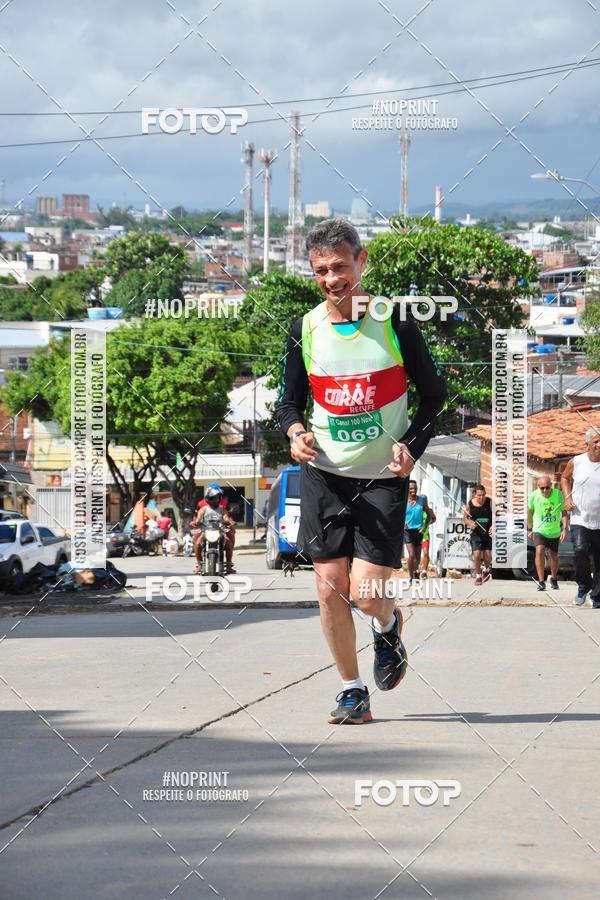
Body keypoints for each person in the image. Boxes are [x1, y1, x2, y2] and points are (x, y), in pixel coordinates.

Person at [276, 217, 447, 724]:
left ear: (361, 261)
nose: (332, 279)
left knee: (367, 595)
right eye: (321, 270)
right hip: (325, 474)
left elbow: (434, 396)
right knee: (329, 585)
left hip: (381, 478)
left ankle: (388, 626)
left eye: (341, 267)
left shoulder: (395, 323)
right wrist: (295, 433)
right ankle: (352, 691)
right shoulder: (304, 329)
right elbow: (287, 404)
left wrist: (412, 447)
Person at [560, 427, 600, 607]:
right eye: (596, 441)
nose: (599, 445)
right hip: (579, 517)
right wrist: (567, 497)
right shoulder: (576, 462)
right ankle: (584, 586)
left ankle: (597, 596)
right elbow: (564, 478)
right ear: (588, 444)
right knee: (580, 549)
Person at [528, 475, 567, 591]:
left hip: (554, 531)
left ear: (551, 486)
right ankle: (541, 581)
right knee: (539, 551)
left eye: (547, 487)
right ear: (538, 486)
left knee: (553, 556)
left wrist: (564, 528)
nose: (545, 490)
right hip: (539, 530)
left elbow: (564, 512)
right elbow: (529, 512)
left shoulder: (558, 494)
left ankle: (554, 578)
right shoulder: (534, 495)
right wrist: (530, 529)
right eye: (542, 488)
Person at [192, 484, 236, 574]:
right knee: (197, 544)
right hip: (206, 531)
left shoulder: (222, 510)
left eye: (217, 498)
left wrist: (229, 522)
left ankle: (228, 565)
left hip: (220, 531)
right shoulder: (203, 509)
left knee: (228, 543)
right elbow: (198, 518)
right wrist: (195, 522)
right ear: (207, 499)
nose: (215, 500)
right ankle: (199, 564)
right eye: (213, 498)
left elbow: (226, 517)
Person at [403, 480, 435, 581]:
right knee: (411, 555)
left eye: (415, 488)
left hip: (419, 530)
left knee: (417, 556)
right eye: (411, 488)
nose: (413, 490)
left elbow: (429, 514)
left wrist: (425, 526)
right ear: (407, 489)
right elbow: (396, 514)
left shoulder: (422, 500)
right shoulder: (403, 500)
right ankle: (410, 576)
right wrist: (402, 522)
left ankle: (416, 572)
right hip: (407, 531)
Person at [464, 484, 493, 586]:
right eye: (479, 495)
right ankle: (478, 576)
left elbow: (497, 516)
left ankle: (486, 569)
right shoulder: (470, 505)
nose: (481, 497)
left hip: (487, 532)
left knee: (487, 555)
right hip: (476, 533)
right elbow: (465, 518)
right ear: (474, 495)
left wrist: (493, 526)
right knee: (476, 555)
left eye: (483, 495)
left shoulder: (489, 502)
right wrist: (469, 523)